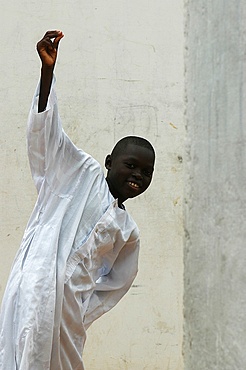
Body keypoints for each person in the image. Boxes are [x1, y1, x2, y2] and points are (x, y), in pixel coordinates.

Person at [0, 30, 155, 370]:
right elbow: (47, 137)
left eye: (147, 172)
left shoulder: (128, 232)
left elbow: (117, 284)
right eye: (131, 165)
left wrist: (80, 310)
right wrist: (47, 73)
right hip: (36, 289)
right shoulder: (79, 173)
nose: (138, 176)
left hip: (69, 314)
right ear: (109, 163)